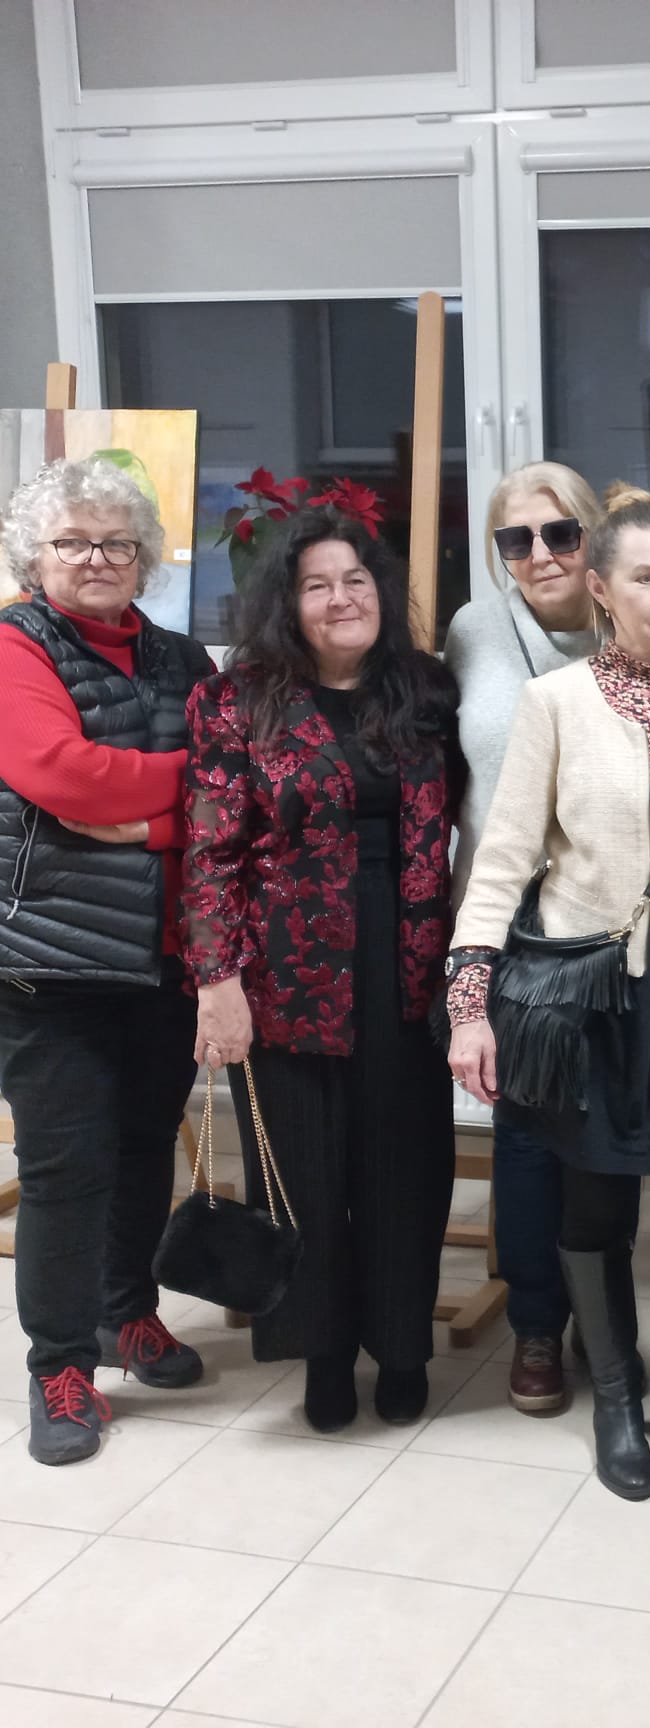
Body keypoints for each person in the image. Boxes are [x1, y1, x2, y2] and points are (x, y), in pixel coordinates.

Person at [446, 486, 650, 1501]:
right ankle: (616, 1398)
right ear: (601, 588)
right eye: (648, 578)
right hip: (596, 991)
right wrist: (469, 1003)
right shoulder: (556, 703)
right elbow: (504, 858)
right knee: (594, 1207)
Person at [182, 507, 463, 1434]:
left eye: (356, 579)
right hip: (283, 967)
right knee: (302, 1169)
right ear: (288, 604)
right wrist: (217, 982)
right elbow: (211, 855)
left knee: (405, 1164)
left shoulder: (426, 691)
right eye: (317, 585)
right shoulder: (237, 700)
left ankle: (402, 1345)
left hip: (408, 958)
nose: (343, 598)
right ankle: (325, 1352)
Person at [0, 458, 212, 1465]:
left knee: (142, 1150)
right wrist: (188, 788)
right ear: (34, 556)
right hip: (49, 964)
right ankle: (60, 1367)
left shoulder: (181, 658)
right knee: (65, 1169)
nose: (96, 559)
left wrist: (151, 821)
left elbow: (239, 787)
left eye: (116, 543)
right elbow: (62, 774)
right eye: (73, 542)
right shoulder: (13, 645)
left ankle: (129, 1311)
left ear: (143, 558)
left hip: (163, 959)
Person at [445, 461, 603, 1415]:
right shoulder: (475, 630)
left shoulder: (638, 620)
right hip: (504, 924)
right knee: (527, 1131)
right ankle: (538, 1322)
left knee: (606, 1129)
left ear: (593, 535)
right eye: (516, 539)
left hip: (612, 922)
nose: (540, 554)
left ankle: (602, 1322)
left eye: (560, 532)